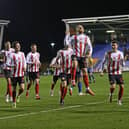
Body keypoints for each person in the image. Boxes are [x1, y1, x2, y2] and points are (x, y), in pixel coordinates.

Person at [65, 24, 95, 96]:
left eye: (82, 27)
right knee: (74, 64)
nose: (81, 28)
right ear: (77, 29)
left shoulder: (86, 37)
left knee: (85, 71)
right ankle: (72, 81)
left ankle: (87, 88)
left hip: (83, 56)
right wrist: (67, 35)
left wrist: (89, 54)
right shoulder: (73, 37)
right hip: (75, 54)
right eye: (79, 27)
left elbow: (90, 46)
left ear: (83, 29)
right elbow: (67, 43)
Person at [100, 40, 125, 105]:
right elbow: (103, 62)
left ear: (117, 46)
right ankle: (111, 94)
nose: (113, 46)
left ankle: (119, 101)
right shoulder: (108, 53)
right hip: (111, 72)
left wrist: (122, 66)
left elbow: (122, 62)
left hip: (119, 72)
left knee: (122, 86)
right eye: (112, 45)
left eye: (115, 45)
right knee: (113, 86)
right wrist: (102, 71)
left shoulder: (121, 53)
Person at [10, 41, 26, 108]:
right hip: (14, 75)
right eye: (17, 46)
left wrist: (25, 66)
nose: (18, 47)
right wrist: (13, 66)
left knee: (22, 88)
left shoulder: (22, 54)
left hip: (21, 74)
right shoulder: (11, 55)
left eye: (19, 46)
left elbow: (24, 61)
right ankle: (14, 102)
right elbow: (8, 64)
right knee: (14, 89)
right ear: (14, 47)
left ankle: (18, 95)